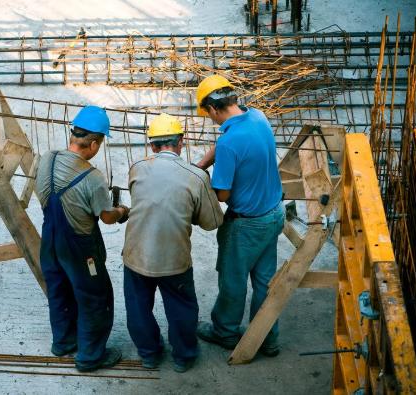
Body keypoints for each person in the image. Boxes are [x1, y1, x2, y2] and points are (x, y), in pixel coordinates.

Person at [122, 113, 223, 373]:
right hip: (174, 259)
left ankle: (149, 355)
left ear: (152, 146)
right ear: (181, 142)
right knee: (181, 306)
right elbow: (211, 221)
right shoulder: (195, 176)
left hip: (136, 256)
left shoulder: (137, 168)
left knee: (138, 306)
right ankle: (184, 356)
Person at [194, 75, 285, 357]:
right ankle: (268, 338)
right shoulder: (257, 117)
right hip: (273, 214)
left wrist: (199, 181)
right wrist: (201, 163)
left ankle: (224, 332)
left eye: (207, 114)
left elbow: (221, 194)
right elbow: (224, 145)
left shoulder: (230, 143)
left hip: (246, 225)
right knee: (265, 281)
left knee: (233, 281)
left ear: (212, 109)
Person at [35, 105, 130, 372]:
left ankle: (64, 342)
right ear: (95, 143)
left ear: (73, 134)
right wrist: (123, 211)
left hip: (50, 241)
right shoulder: (93, 177)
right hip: (80, 248)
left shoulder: (47, 158)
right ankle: (90, 356)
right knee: (94, 297)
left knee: (59, 290)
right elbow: (106, 217)